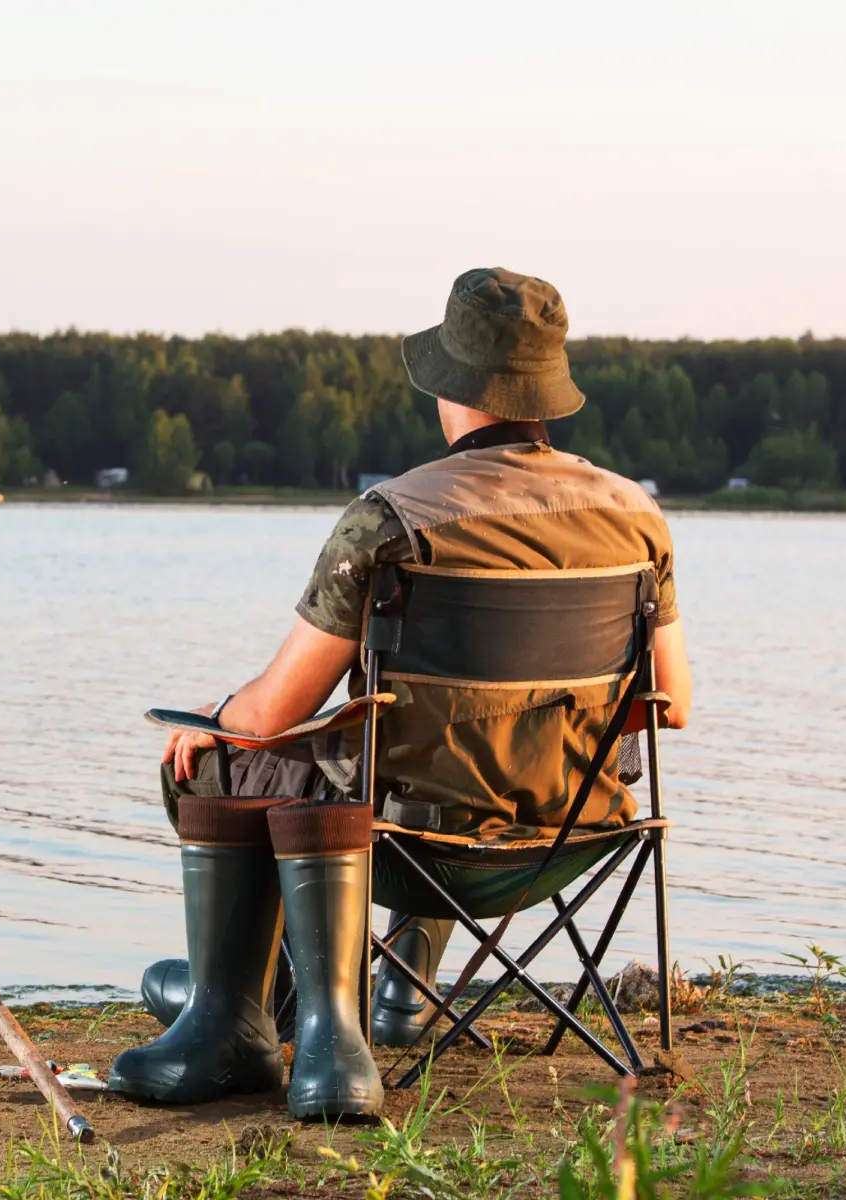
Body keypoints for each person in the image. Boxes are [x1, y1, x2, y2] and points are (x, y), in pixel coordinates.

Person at [107, 267, 692, 1119]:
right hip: (571, 832)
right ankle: (393, 996)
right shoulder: (636, 518)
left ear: (452, 390)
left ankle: (245, 1013)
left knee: (212, 761)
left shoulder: (392, 518)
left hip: (408, 843)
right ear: (548, 393)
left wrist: (211, 720)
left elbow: (274, 713)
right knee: (446, 745)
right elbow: (670, 702)